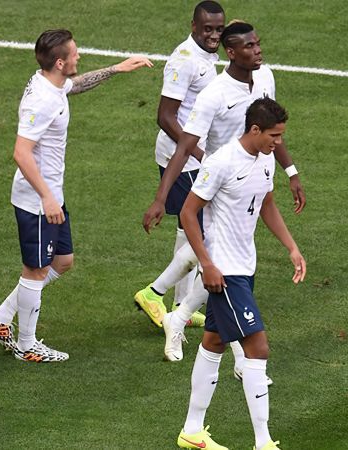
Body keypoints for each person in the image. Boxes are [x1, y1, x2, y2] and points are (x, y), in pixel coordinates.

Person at [139, 21, 306, 373]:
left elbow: (274, 128)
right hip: (221, 183)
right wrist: (160, 197)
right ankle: (244, 358)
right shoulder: (213, 94)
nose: (258, 51)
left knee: (222, 259)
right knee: (224, 261)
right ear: (231, 52)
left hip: (256, 179)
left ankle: (175, 311)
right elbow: (184, 147)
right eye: (250, 46)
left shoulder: (266, 78)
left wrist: (290, 171)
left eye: (259, 44)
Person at [0, 29, 152, 362]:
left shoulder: (53, 84)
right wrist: (45, 196)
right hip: (37, 201)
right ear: (60, 62)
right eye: (74, 54)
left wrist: (118, 68)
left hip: (50, 196)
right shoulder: (42, 100)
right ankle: (27, 346)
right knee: (36, 270)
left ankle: (1, 317)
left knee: (63, 262)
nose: (79, 57)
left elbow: (77, 84)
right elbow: (21, 151)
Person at [175, 98, 301, 450]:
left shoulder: (264, 160)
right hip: (224, 271)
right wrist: (208, 264)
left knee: (214, 342)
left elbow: (267, 204)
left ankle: (192, 431)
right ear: (255, 129)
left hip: (244, 267)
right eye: (274, 135)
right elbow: (188, 213)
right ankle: (263, 442)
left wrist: (291, 247)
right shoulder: (222, 162)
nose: (278, 143)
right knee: (257, 349)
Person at [133, 1, 224, 330]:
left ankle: (178, 305)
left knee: (189, 229)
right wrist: (198, 152)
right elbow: (165, 116)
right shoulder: (184, 60)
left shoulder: (205, 56)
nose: (214, 35)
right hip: (180, 157)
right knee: (197, 228)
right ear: (194, 26)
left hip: (191, 156)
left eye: (218, 29)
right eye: (207, 29)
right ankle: (156, 295)